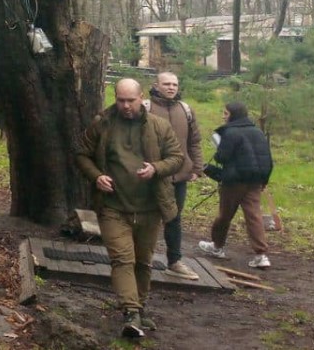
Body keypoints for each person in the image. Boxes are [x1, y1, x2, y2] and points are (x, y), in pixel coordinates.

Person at [75, 78, 183, 339]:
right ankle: (131, 312)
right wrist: (96, 176)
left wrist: (156, 168)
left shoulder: (158, 126)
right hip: (113, 206)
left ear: (141, 97)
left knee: (143, 262)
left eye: (130, 101)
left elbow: (177, 158)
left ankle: (139, 307)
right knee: (122, 259)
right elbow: (81, 153)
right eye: (120, 100)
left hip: (149, 208)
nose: (125, 106)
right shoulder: (102, 124)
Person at [197, 101, 274, 270]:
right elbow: (267, 159)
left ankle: (217, 247)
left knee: (224, 216)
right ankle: (261, 255)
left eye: (225, 113)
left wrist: (218, 147)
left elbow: (221, 157)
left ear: (233, 115)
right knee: (254, 216)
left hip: (233, 182)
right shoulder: (258, 132)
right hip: (255, 181)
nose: (223, 116)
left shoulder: (230, 132)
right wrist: (264, 181)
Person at [144, 72, 204, 281]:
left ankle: (174, 262)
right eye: (166, 84)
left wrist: (196, 168)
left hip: (179, 175)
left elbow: (194, 141)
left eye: (174, 84)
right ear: (156, 85)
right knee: (145, 216)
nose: (171, 87)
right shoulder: (145, 108)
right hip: (150, 174)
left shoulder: (185, 110)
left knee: (174, 218)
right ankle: (141, 258)